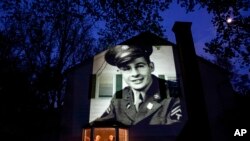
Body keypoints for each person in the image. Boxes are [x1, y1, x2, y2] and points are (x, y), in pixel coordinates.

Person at [95, 45, 183, 125]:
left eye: (140, 66)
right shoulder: (119, 97)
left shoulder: (174, 93)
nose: (135, 74)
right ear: (121, 73)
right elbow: (100, 125)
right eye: (126, 69)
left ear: (151, 67)